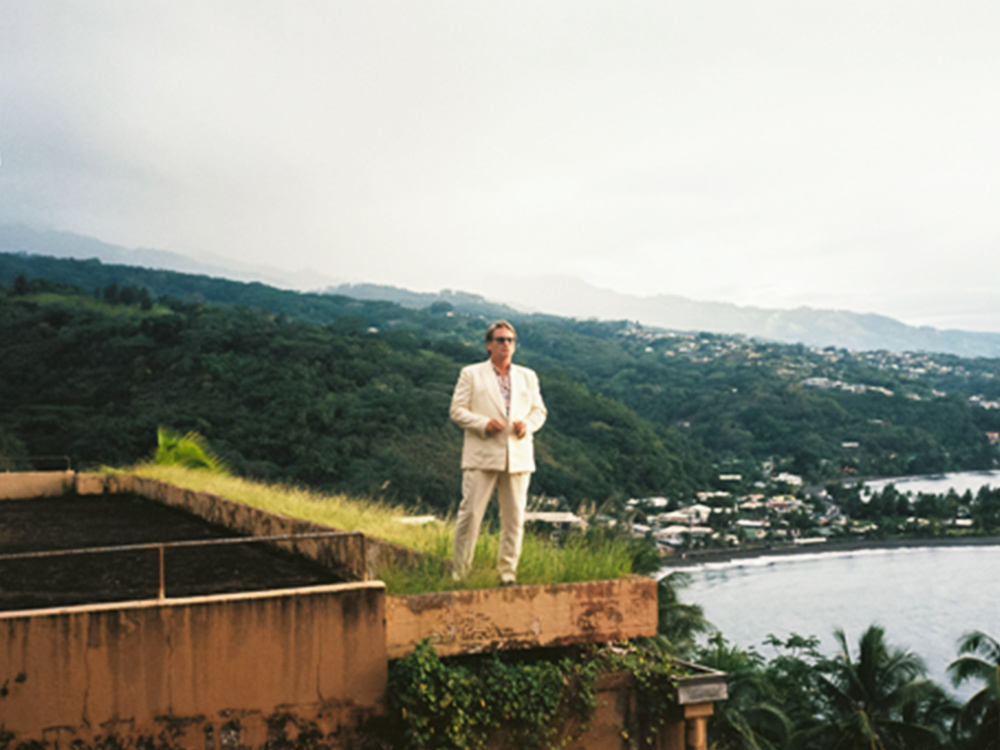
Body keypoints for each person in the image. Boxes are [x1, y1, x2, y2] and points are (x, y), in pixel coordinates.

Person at [449, 320, 547, 585]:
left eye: (510, 340)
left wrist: (528, 425)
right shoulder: (471, 373)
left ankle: (507, 574)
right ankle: (460, 574)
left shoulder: (528, 376)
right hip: (482, 454)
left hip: (518, 455)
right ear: (489, 344)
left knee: (514, 518)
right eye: (501, 340)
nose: (506, 345)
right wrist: (482, 424)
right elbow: (457, 410)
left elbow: (539, 411)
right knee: (470, 515)